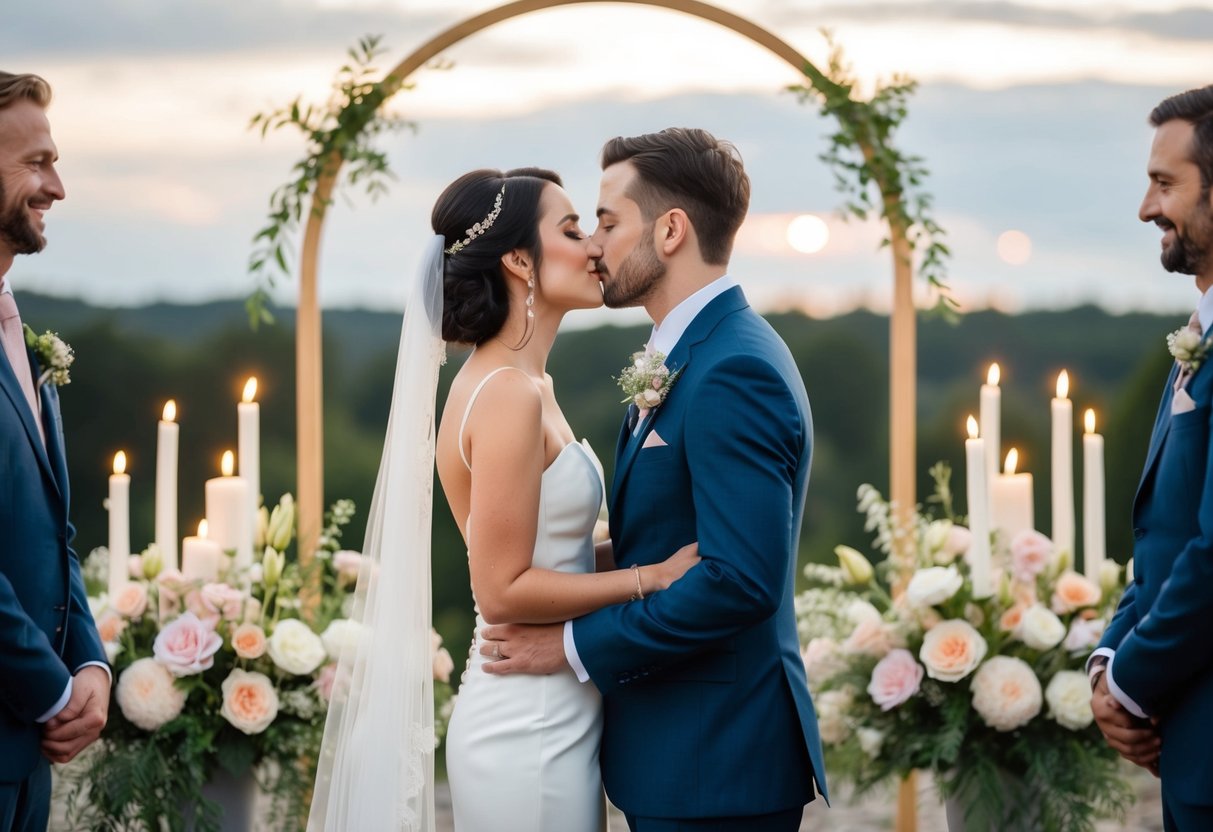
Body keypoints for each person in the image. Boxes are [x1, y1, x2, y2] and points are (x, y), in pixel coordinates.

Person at [307, 167, 698, 832]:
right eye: (572, 230)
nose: (594, 246)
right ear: (519, 260)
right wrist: (648, 578)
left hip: (556, 707)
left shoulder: (529, 383)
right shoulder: (505, 395)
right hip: (525, 726)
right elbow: (501, 589)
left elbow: (552, 548)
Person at [480, 128, 828, 831]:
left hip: (716, 762)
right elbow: (664, 540)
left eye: (608, 222)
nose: (594, 244)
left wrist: (572, 645)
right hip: (680, 754)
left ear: (670, 230)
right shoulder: (687, 353)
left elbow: (738, 579)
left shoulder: (734, 367)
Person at [1089, 84, 1213, 831]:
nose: (1145, 208)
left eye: (1164, 184)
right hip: (1188, 745)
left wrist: (1129, 682)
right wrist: (1106, 660)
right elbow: (1159, 541)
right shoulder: (1193, 341)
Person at [0, 71, 110, 832]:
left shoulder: (20, 334)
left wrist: (91, 665)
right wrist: (49, 690)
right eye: (36, 163)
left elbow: (52, 530)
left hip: (26, 758)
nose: (58, 187)